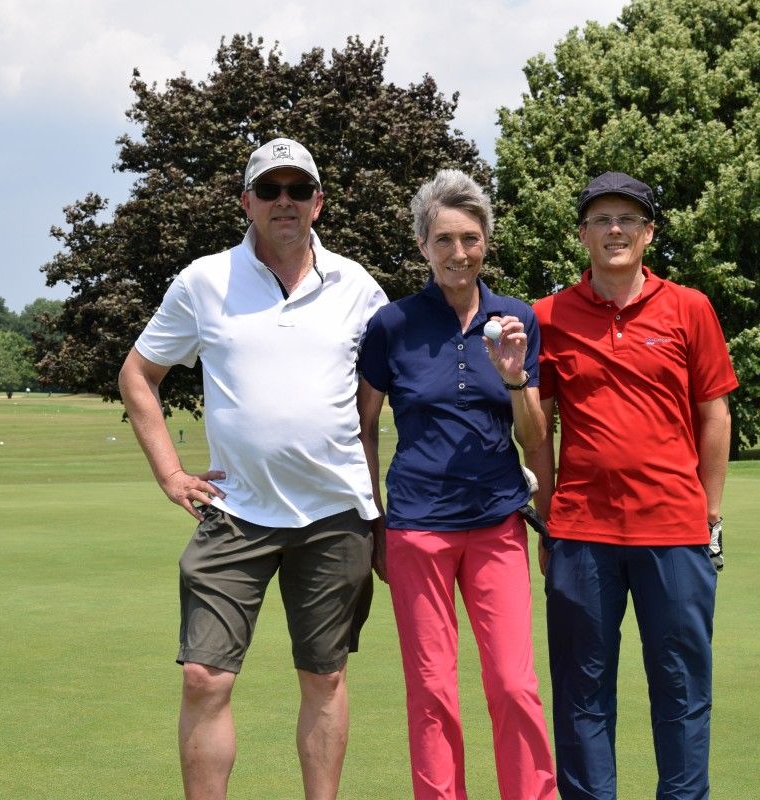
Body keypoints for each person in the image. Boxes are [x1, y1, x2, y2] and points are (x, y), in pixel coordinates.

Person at [117, 137, 387, 800]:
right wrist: (170, 474)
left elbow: (381, 397)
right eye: (269, 189)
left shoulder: (358, 287)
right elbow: (138, 374)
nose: (284, 201)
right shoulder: (204, 281)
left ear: (318, 202)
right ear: (247, 202)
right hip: (235, 512)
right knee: (203, 677)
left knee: (324, 677)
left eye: (298, 189)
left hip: (335, 513)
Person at [529, 171, 739, 800]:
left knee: (682, 692)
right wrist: (547, 518)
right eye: (601, 219)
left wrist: (711, 515)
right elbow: (537, 431)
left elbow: (714, 414)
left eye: (628, 219)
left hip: (675, 532)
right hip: (581, 533)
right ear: (582, 234)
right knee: (581, 694)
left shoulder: (689, 307)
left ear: (649, 233)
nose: (614, 229)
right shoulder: (548, 316)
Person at [357, 169, 556, 800]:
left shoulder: (516, 318)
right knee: (433, 690)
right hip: (417, 529)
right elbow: (364, 427)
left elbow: (534, 435)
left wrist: (516, 377)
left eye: (470, 238)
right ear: (423, 245)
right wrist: (375, 520)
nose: (458, 252)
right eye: (443, 239)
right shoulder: (392, 325)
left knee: (514, 685)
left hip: (498, 524)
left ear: (486, 242)